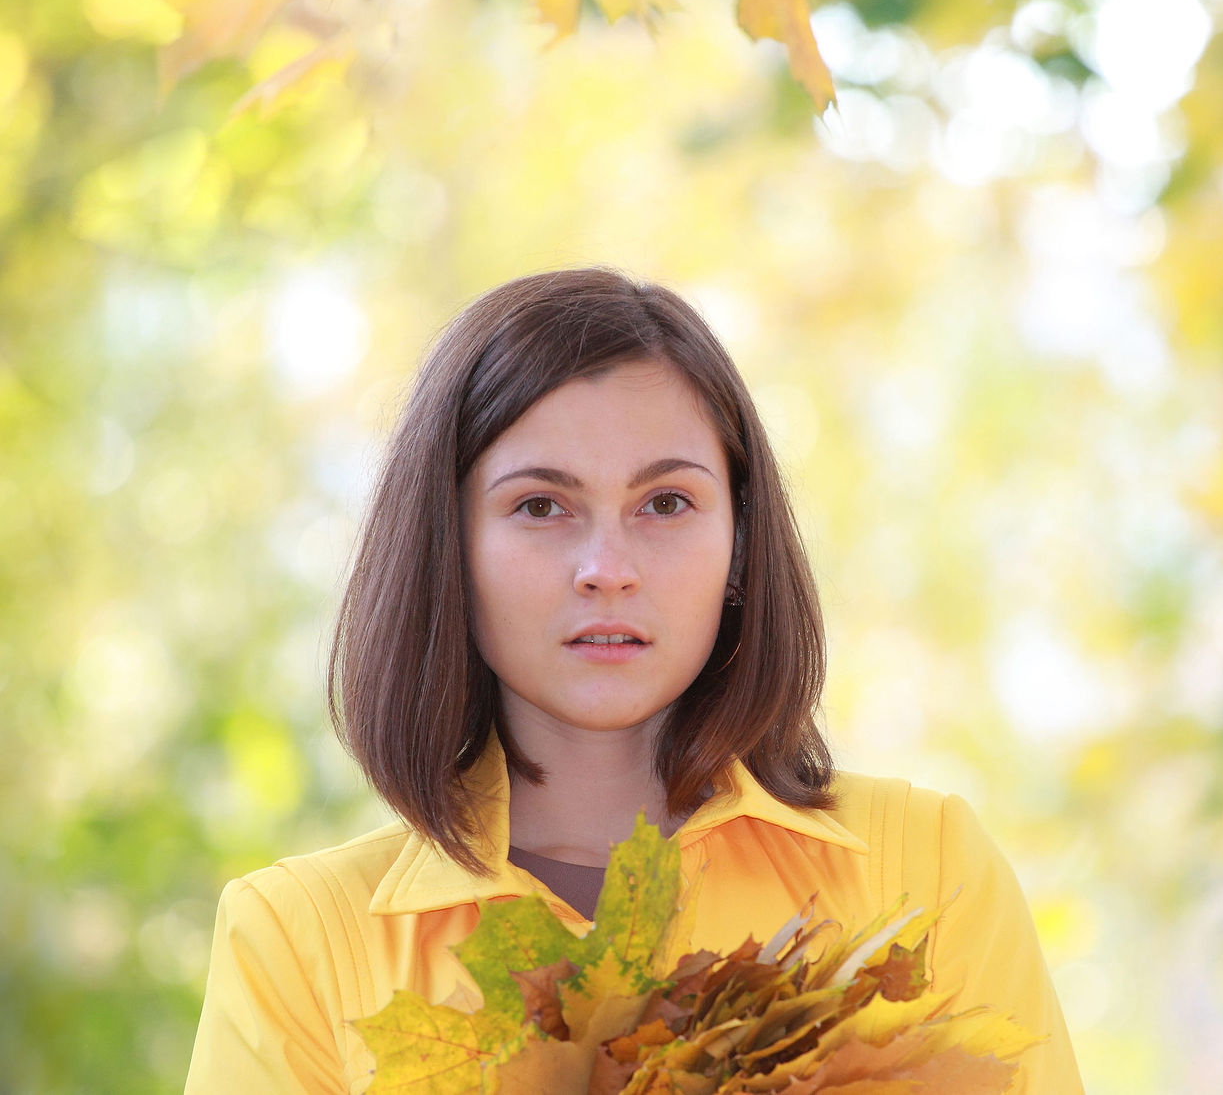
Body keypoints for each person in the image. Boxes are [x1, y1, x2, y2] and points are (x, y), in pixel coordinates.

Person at [185, 268, 1085, 1093]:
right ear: (448, 550)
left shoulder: (925, 869)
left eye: (665, 503)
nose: (606, 566)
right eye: (541, 506)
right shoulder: (299, 939)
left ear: (740, 544)